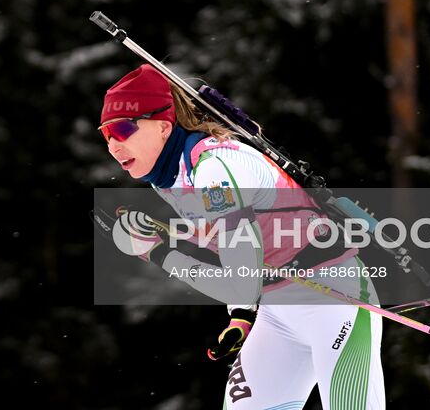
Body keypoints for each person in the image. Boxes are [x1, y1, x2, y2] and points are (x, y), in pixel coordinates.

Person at [97, 63, 386, 410]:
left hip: (335, 303)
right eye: (106, 134)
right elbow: (235, 254)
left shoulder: (215, 170)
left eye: (123, 129)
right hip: (278, 312)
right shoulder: (174, 175)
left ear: (163, 126)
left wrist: (158, 253)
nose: (114, 145)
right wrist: (241, 315)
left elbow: (242, 281)